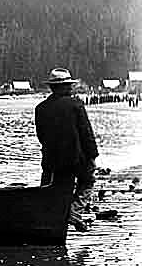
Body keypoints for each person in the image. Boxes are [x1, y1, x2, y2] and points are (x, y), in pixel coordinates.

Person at [35, 67, 99, 230]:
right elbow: (86, 133)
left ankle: (47, 222)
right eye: (69, 85)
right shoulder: (75, 105)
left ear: (52, 87)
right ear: (63, 87)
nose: (71, 88)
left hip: (50, 160)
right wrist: (92, 155)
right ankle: (74, 213)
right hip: (75, 159)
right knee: (88, 181)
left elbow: (41, 136)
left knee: (49, 191)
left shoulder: (41, 108)